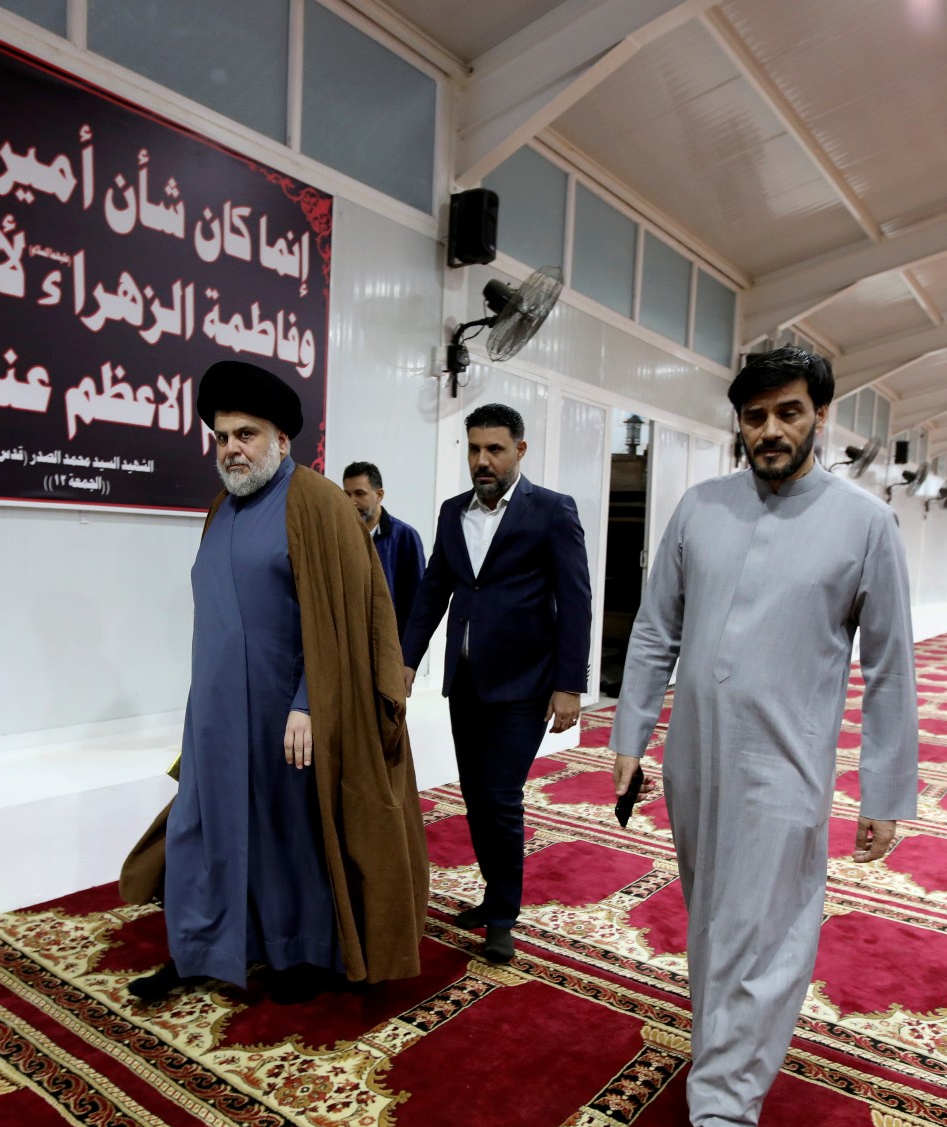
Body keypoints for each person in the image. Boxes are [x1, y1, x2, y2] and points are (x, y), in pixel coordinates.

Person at [609, 347, 918, 1127]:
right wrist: (631, 731)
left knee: (763, 937)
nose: (770, 431)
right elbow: (653, 630)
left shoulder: (864, 524)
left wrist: (885, 791)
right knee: (715, 927)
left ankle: (724, 1121)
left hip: (784, 771)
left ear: (820, 414)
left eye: (788, 412)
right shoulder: (700, 508)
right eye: (755, 417)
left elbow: (891, 667)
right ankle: (723, 1065)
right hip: (693, 763)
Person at [117, 360, 431, 1004]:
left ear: (281, 441)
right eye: (223, 436)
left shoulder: (313, 501)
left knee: (287, 837)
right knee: (203, 832)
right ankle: (198, 949)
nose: (232, 449)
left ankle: (298, 957)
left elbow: (347, 621)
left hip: (289, 715)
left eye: (246, 435)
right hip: (215, 715)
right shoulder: (221, 510)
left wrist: (309, 704)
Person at [402, 403, 592, 964]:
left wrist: (569, 684)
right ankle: (491, 895)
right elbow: (435, 589)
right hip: (467, 683)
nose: (482, 461)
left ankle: (503, 914)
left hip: (525, 684)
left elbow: (577, 601)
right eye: (474, 449)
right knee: (476, 798)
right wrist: (405, 660)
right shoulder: (451, 512)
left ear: (520, 451)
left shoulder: (553, 511)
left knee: (501, 797)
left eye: (494, 449)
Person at [342, 461, 426, 633]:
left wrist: (405, 653)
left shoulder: (405, 536)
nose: (352, 502)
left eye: (359, 494)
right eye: (347, 494)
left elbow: (417, 602)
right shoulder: (338, 536)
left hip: (390, 643)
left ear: (379, 495)